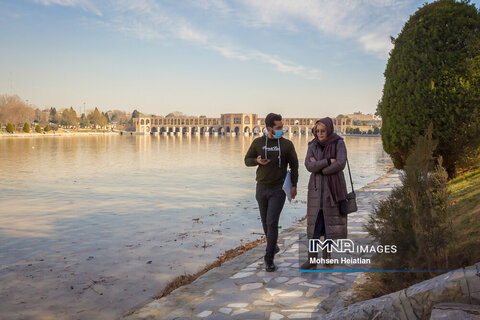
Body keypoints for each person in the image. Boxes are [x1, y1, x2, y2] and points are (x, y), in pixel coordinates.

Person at [244, 113, 299, 272]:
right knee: (264, 222)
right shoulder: (258, 142)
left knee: (272, 222)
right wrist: (257, 161)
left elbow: (294, 166)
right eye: (279, 127)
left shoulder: (287, 145)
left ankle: (269, 258)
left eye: (282, 127)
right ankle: (273, 245)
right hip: (261, 187)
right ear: (269, 128)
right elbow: (247, 160)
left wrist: (294, 185)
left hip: (278, 189)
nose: (282, 129)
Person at [301, 117, 348, 269]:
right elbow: (308, 165)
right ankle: (312, 259)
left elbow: (341, 163)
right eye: (317, 131)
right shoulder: (312, 144)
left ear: (328, 130)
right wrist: (327, 162)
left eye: (322, 131)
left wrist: (319, 166)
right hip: (315, 191)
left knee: (329, 227)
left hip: (332, 190)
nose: (320, 134)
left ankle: (327, 257)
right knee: (314, 226)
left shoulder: (338, 143)